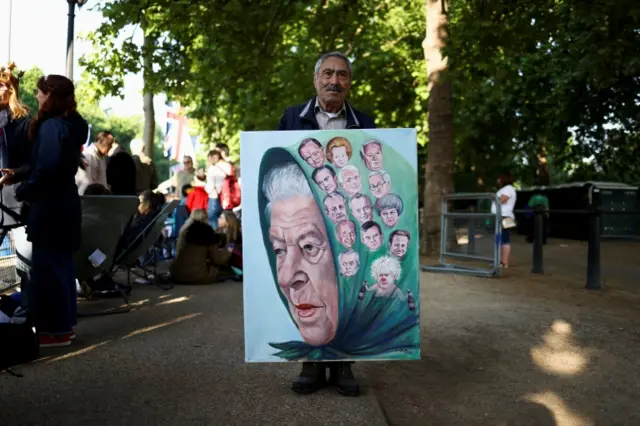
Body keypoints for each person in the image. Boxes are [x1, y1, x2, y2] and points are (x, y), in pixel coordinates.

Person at [276, 51, 376, 396]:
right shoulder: (291, 118)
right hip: (307, 221)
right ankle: (312, 364)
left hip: (346, 219)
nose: (335, 81)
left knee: (344, 287)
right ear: (316, 79)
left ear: (350, 82)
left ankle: (343, 363)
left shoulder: (365, 122)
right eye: (328, 74)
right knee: (311, 289)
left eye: (343, 75)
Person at [4, 74, 88, 347]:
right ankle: (65, 326)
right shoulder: (72, 125)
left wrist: (22, 189)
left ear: (49, 96)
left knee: (47, 270)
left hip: (50, 209)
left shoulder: (52, 127)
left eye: (40, 93)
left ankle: (54, 331)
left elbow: (46, 170)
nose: (37, 97)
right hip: (66, 206)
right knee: (62, 268)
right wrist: (17, 173)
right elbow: (51, 165)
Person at [169, 209, 233, 284]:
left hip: (177, 274)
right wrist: (229, 251)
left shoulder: (185, 231)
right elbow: (218, 260)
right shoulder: (208, 234)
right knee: (222, 271)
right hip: (197, 276)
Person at [492, 172, 517, 268]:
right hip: (500, 216)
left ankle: (504, 262)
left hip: (504, 217)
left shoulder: (508, 189)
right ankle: (499, 260)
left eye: (499, 178)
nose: (498, 180)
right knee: (499, 238)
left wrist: (493, 197)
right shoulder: (504, 189)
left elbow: (503, 200)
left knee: (504, 239)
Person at [205, 149, 232, 229]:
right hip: (226, 199)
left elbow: (210, 187)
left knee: (213, 221)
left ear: (211, 157)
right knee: (226, 221)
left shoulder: (212, 169)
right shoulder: (227, 166)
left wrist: (204, 186)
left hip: (214, 198)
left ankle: (217, 240)